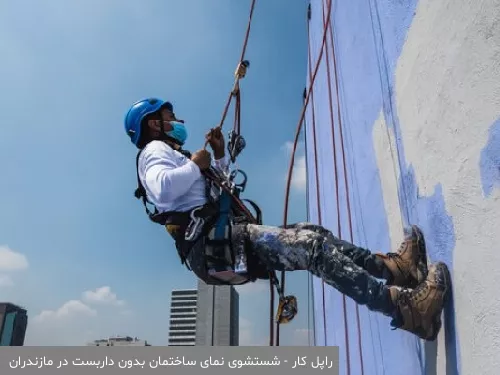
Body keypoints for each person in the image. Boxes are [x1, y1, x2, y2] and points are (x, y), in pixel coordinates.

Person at [123, 97, 451, 341]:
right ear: (154, 123)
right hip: (213, 246)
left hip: (224, 238)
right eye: (169, 116)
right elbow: (163, 189)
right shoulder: (153, 152)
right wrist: (196, 163)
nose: (175, 119)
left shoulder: (175, 154)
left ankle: (395, 270)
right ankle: (407, 311)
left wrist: (218, 156)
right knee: (309, 247)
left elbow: (214, 189)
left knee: (313, 234)